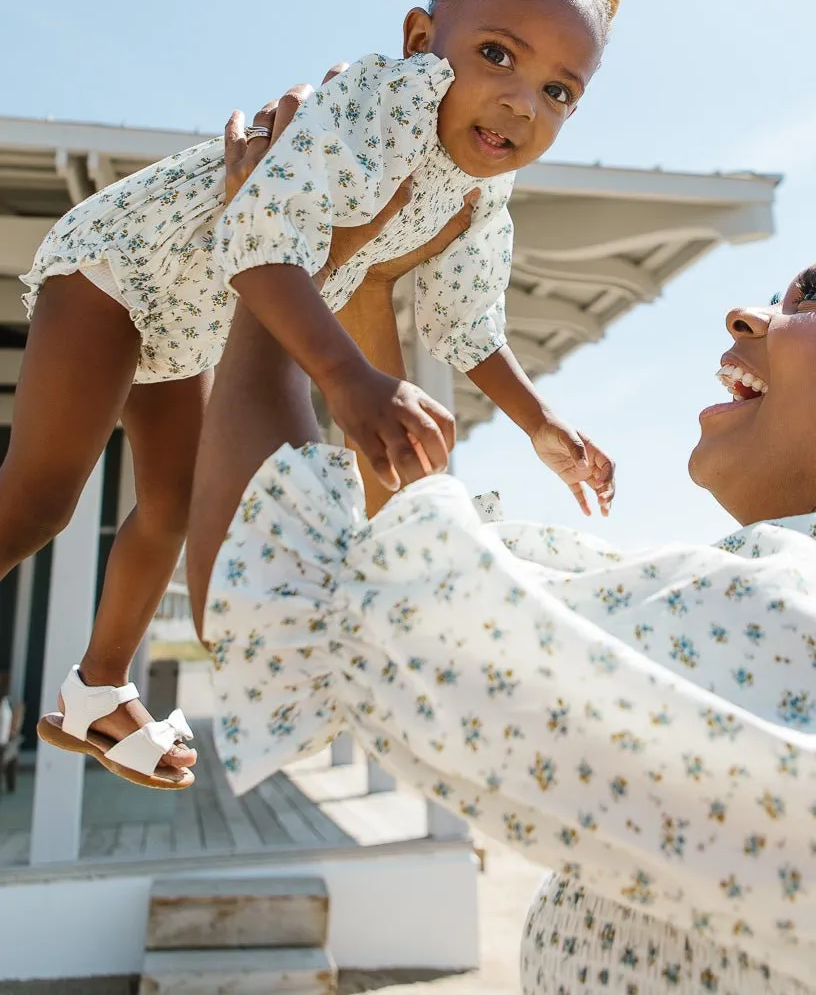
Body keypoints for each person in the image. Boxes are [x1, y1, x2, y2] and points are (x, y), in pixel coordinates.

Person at [24, 0, 618, 787]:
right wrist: (345, 377)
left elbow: (465, 324)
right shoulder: (372, 106)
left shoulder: (479, 198)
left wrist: (541, 425)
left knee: (175, 501)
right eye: (497, 54)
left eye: (559, 90)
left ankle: (97, 691)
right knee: (41, 501)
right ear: (422, 39)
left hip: (188, 324)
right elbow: (256, 237)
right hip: (114, 271)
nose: (520, 100)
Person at [189, 259, 816, 992]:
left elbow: (287, 588)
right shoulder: (748, 614)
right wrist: (367, 295)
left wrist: (275, 250)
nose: (746, 313)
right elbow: (416, 578)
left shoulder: (781, 613)